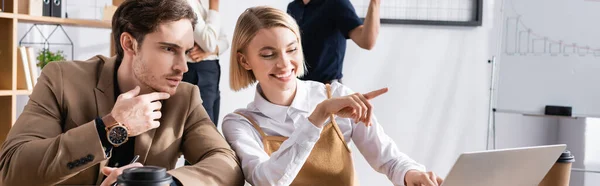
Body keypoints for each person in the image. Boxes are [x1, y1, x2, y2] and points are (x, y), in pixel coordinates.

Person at [0, 0, 244, 185]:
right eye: (169, 49)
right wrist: (111, 127)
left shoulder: (185, 97)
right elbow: (11, 170)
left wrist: (163, 181)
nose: (183, 66)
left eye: (186, 51)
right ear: (129, 44)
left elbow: (227, 164)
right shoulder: (62, 79)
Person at [222, 6, 443, 186]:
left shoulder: (336, 95)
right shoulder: (241, 124)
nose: (284, 64)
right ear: (244, 61)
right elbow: (267, 181)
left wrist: (411, 174)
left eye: (292, 50)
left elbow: (390, 160)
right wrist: (318, 116)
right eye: (268, 54)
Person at [287, 0, 381, 84]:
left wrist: (375, 2)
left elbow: (367, 42)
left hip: (327, 89)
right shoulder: (293, 7)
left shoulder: (336, 3)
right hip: (297, 86)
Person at [184, 0, 229, 125]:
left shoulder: (204, 2)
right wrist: (214, 6)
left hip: (212, 71)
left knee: (212, 126)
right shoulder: (187, 3)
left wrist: (211, 50)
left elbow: (225, 41)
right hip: (196, 70)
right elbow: (209, 42)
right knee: (203, 127)